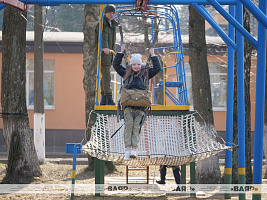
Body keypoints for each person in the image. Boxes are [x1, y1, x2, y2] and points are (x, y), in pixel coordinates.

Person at [113, 44, 161, 161]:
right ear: (131, 65)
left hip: (141, 106)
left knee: (136, 127)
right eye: (134, 64)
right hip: (128, 106)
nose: (136, 66)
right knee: (128, 126)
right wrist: (120, 53)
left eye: (138, 64)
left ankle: (134, 149)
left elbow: (157, 68)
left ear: (141, 65)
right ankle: (127, 150)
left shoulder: (146, 73)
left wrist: (153, 55)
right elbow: (115, 65)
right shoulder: (125, 72)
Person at [95, 4, 118, 105]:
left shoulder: (112, 24)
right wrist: (104, 47)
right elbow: (103, 36)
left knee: (105, 76)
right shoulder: (103, 24)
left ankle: (104, 97)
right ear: (105, 13)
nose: (112, 15)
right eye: (110, 13)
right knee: (106, 76)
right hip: (104, 53)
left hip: (109, 54)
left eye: (113, 13)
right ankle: (109, 97)